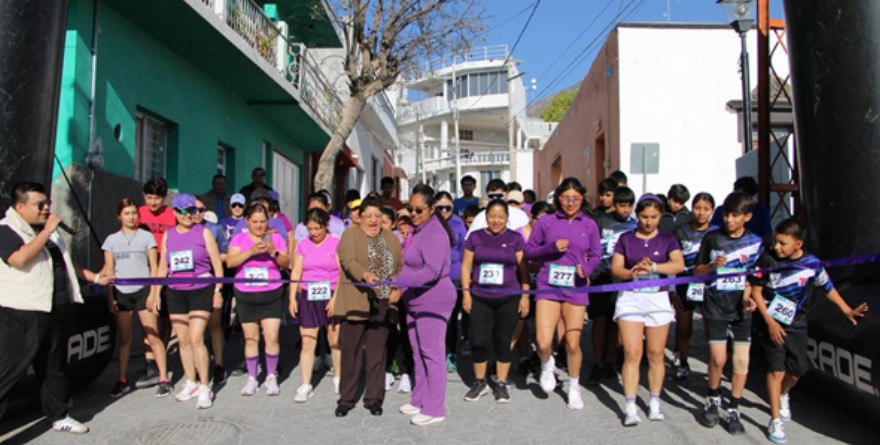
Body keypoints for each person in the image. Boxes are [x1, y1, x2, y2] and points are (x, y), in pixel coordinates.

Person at [0, 182, 110, 434]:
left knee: (54, 368)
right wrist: (46, 231)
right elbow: (19, 259)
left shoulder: (48, 231)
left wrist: (94, 278)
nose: (46, 208)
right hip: (20, 312)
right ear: (20, 206)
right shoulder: (6, 230)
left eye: (48, 203)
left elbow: (66, 263)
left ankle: (59, 415)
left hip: (53, 308)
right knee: (7, 372)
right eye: (40, 204)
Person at [749, 218, 867, 443]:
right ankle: (775, 420)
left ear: (798, 244)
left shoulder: (812, 263)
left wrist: (847, 310)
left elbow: (827, 287)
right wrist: (770, 322)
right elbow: (756, 292)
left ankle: (784, 394)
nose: (777, 247)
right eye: (776, 241)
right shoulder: (767, 259)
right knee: (776, 370)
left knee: (796, 371)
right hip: (769, 322)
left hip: (797, 323)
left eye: (783, 243)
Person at [524, 177, 601, 410]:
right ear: (558, 198)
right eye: (566, 198)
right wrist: (550, 248)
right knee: (543, 341)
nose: (570, 203)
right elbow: (529, 251)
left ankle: (574, 386)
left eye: (575, 198)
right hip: (549, 285)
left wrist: (586, 268)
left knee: (573, 342)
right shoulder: (546, 222)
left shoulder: (589, 224)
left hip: (576, 287)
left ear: (582, 199)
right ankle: (547, 365)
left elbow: (597, 255)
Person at [611, 194, 684, 425]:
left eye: (653, 217)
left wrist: (654, 267)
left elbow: (678, 265)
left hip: (657, 299)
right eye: (644, 216)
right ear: (637, 215)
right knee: (632, 353)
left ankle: (654, 401)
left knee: (656, 354)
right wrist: (632, 273)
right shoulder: (625, 238)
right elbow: (616, 269)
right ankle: (630, 405)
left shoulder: (668, 239)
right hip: (631, 298)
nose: (649, 221)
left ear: (661, 216)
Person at [694, 191, 763, 434]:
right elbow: (697, 270)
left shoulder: (756, 242)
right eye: (727, 215)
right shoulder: (712, 239)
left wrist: (749, 296)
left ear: (748, 217)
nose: (729, 220)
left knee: (741, 360)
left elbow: (756, 278)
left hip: (742, 310)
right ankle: (713, 398)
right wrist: (713, 266)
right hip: (715, 306)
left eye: (735, 216)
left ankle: (734, 407)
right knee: (718, 359)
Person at [393, 185, 457, 426]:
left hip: (434, 300)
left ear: (431, 209)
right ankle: (420, 398)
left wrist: (399, 280)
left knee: (433, 354)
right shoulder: (417, 231)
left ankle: (435, 407)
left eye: (419, 209)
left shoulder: (434, 233)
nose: (414, 213)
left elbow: (431, 271)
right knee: (418, 352)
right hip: (415, 300)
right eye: (411, 208)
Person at [334, 197, 402, 417]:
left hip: (382, 303)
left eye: (377, 216)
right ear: (360, 217)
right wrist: (365, 275)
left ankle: (374, 397)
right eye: (368, 216)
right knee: (351, 353)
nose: (373, 221)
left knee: (376, 353)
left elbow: (399, 268)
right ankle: (346, 398)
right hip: (356, 301)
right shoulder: (350, 235)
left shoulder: (391, 238)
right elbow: (348, 260)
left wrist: (397, 287)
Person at [155, 193, 224, 409]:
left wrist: (218, 290)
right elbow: (163, 267)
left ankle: (205, 386)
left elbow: (217, 264)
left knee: (196, 338)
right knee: (183, 340)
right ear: (174, 212)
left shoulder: (203, 233)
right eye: (184, 211)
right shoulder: (168, 235)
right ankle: (191, 381)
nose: (188, 215)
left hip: (201, 289)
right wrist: (156, 292)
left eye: (192, 210)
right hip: (175, 291)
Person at [460, 199, 530, 403]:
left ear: (507, 218)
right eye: (492, 216)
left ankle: (500, 382)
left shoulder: (515, 238)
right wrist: (466, 293)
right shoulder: (475, 237)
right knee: (479, 340)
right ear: (486, 217)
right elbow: (466, 267)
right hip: (481, 297)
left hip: (508, 297)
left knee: (503, 341)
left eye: (501, 217)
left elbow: (523, 268)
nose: (496, 221)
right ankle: (480, 382)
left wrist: (525, 296)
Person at [102, 198, 172, 398]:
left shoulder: (146, 237)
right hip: (122, 293)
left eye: (134, 213)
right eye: (127, 213)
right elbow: (109, 271)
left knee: (152, 335)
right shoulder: (111, 241)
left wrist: (153, 293)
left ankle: (164, 378)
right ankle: (122, 380)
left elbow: (153, 266)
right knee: (125, 338)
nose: (132, 217)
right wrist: (110, 297)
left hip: (143, 291)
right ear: (119, 216)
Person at [226, 203, 289, 396]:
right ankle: (252, 377)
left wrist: (273, 251)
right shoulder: (239, 238)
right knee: (251, 338)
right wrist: (250, 252)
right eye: (255, 222)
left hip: (271, 293)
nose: (259, 225)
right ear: (247, 221)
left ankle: (271, 376)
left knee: (271, 337)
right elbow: (230, 262)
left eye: (262, 222)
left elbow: (287, 263)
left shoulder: (276, 238)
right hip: (246, 293)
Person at [289, 208, 341, 401]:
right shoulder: (303, 244)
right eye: (310, 229)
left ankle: (338, 376)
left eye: (317, 229)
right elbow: (296, 273)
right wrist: (292, 298)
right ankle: (305, 383)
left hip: (331, 293)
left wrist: (336, 298)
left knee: (335, 340)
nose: (314, 233)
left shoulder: (336, 242)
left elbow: (343, 272)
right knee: (307, 341)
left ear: (325, 226)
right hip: (308, 295)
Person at [587, 186, 637, 386]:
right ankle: (597, 362)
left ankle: (610, 360)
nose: (625, 210)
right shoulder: (600, 222)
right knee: (599, 321)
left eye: (628, 206)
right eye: (621, 205)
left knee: (615, 323)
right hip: (601, 278)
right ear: (614, 205)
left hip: (623, 280)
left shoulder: (634, 226)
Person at [670, 192, 717, 381]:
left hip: (710, 286)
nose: (701, 213)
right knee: (684, 327)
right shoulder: (680, 231)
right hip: (684, 284)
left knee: (711, 328)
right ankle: (682, 360)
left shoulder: (717, 232)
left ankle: (714, 365)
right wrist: (672, 289)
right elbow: (671, 259)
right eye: (697, 208)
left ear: (712, 211)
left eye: (706, 209)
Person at [137, 177, 175, 389]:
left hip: (167, 272)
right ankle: (150, 361)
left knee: (167, 319)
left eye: (157, 198)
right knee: (148, 319)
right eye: (149, 197)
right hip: (144, 271)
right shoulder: (139, 213)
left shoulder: (171, 215)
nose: (153, 202)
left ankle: (162, 352)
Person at [194, 196, 227, 385]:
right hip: (188, 286)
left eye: (200, 209)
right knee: (195, 333)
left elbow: (224, 253)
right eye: (192, 209)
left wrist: (210, 255)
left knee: (214, 325)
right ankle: (197, 370)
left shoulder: (214, 229)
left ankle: (219, 364)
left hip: (212, 281)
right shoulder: (179, 231)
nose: (196, 213)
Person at [435, 191, 468, 372]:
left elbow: (464, 251)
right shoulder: (430, 223)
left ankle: (451, 353)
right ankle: (437, 353)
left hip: (453, 276)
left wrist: (464, 278)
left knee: (452, 319)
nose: (444, 211)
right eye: (440, 208)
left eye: (448, 207)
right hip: (434, 277)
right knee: (437, 318)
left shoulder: (458, 224)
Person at [466, 179, 530, 238]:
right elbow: (469, 240)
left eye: (499, 195)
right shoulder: (480, 217)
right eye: (492, 196)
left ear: (506, 194)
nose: (495, 199)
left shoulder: (520, 215)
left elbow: (528, 239)